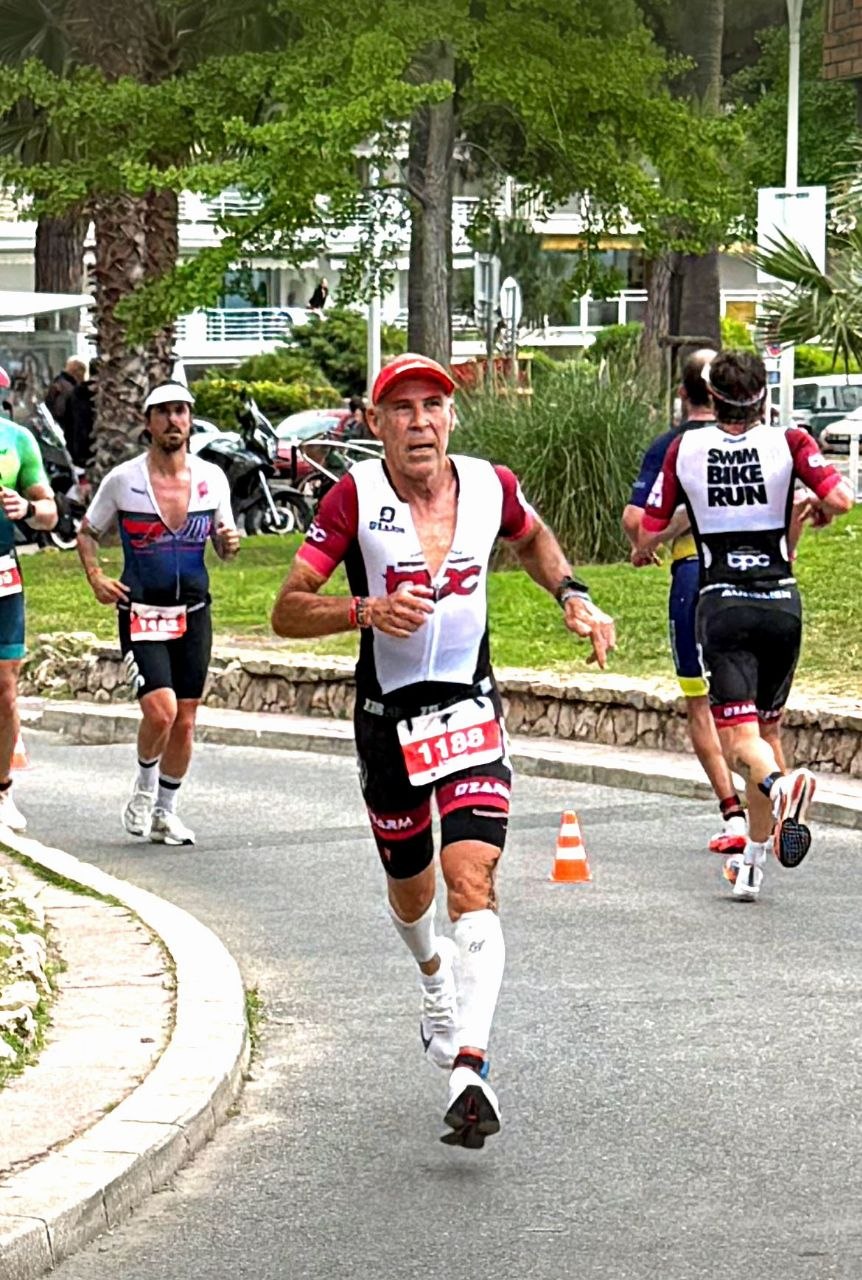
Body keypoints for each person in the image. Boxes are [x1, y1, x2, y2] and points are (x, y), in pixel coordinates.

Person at [272, 352, 615, 1146]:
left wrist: (573, 596)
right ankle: (433, 979)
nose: (420, 421)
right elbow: (286, 609)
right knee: (411, 891)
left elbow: (532, 540)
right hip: (387, 719)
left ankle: (471, 1065)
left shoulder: (490, 484)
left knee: (473, 879)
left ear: (451, 417)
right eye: (403, 409)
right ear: (376, 423)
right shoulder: (354, 497)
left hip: (468, 710)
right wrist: (366, 609)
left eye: (433, 406)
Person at [638, 351, 853, 900]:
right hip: (782, 603)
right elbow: (840, 499)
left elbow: (648, 527)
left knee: (740, 744)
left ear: (711, 394)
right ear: (762, 396)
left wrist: (648, 548)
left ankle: (781, 788)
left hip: (723, 604)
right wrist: (819, 510)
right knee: (766, 731)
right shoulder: (791, 441)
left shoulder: (685, 448)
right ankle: (753, 865)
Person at [76, 382, 240, 847]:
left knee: (185, 718)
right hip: (141, 610)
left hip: (194, 611)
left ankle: (167, 811)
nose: (174, 421)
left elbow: (224, 541)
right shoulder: (123, 480)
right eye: (164, 412)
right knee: (160, 711)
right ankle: (144, 789)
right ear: (148, 422)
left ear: (190, 420)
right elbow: (87, 532)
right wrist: (96, 578)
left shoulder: (213, 478)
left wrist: (228, 545)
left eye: (182, 412)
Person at [622, 349, 749, 857]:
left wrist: (646, 542)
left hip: (695, 574)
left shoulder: (671, 445)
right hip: (758, 575)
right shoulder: (756, 442)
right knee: (752, 701)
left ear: (683, 394)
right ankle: (771, 792)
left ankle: (736, 813)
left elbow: (636, 520)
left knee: (701, 700)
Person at [0, 406, 58, 831]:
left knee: (5, 687)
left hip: (3, 577)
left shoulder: (17, 440)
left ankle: (1, 790)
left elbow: (49, 511)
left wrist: (26, 507)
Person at [45, 358, 86, 449]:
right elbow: (60, 410)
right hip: (66, 431)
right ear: (77, 371)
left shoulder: (59, 382)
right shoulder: (67, 387)